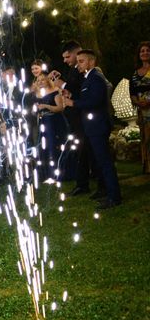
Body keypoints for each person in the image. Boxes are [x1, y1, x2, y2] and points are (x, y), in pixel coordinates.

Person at [63, 50, 122, 209]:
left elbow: (94, 101)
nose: (78, 64)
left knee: (105, 162)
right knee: (101, 162)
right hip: (92, 127)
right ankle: (107, 192)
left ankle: (114, 197)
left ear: (91, 62)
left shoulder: (95, 78)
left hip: (98, 126)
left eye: (81, 61)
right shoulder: (87, 78)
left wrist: (73, 103)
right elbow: (86, 98)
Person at [51, 40, 98, 196]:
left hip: (80, 117)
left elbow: (78, 90)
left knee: (82, 150)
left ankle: (84, 183)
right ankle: (86, 181)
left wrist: (63, 86)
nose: (65, 60)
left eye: (67, 57)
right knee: (81, 151)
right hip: (73, 118)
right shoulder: (73, 70)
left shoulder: (85, 71)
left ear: (77, 52)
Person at [34, 75, 68, 182]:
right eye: (38, 80)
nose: (40, 82)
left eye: (42, 79)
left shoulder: (55, 91)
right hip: (43, 122)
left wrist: (46, 106)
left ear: (48, 80)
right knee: (44, 147)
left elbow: (60, 107)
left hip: (54, 122)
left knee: (54, 146)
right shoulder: (38, 94)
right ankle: (47, 174)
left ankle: (57, 174)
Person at [129, 41, 150, 174]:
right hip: (142, 111)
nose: (145, 53)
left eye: (148, 50)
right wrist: (137, 102)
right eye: (142, 51)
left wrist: (148, 101)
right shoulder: (135, 73)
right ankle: (147, 166)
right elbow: (132, 91)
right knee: (145, 138)